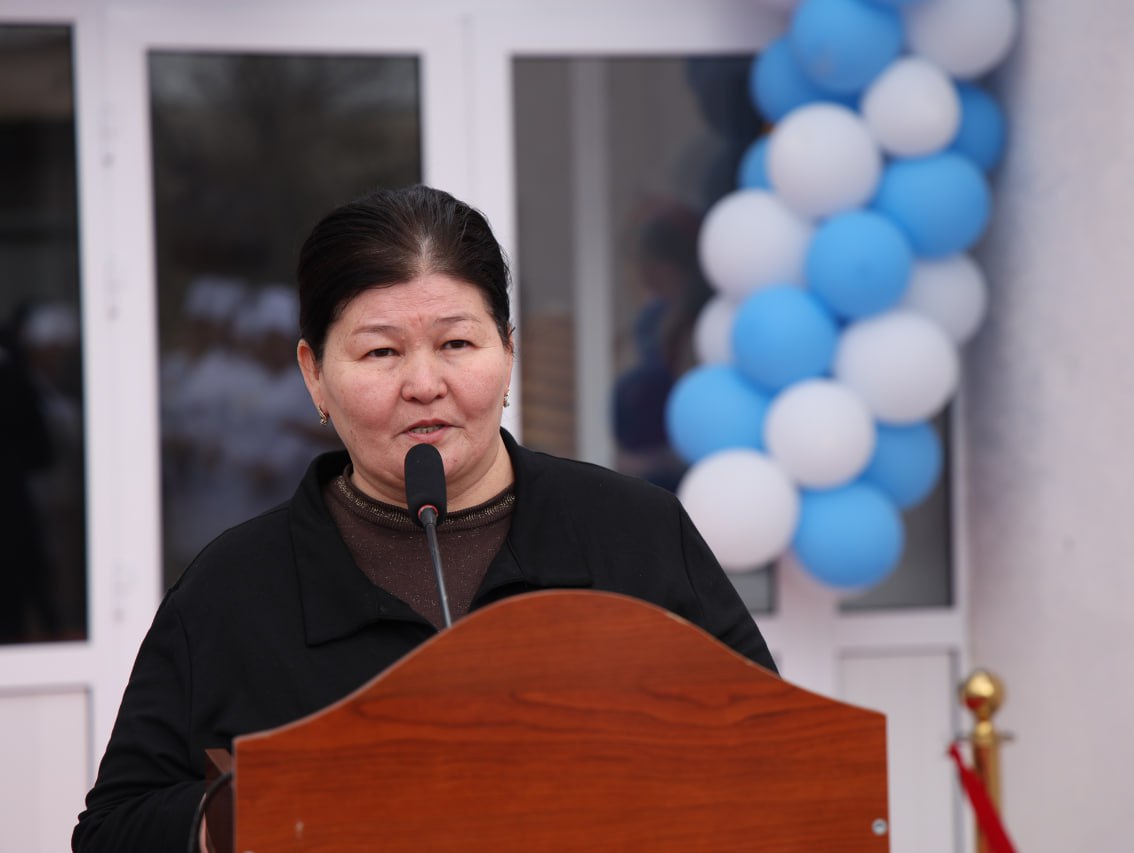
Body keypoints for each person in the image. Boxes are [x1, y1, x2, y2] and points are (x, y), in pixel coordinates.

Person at [72, 185, 775, 852]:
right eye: (381, 351)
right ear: (314, 374)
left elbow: (776, 762)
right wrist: (270, 802)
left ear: (509, 351)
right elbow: (112, 829)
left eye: (456, 344)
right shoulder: (234, 587)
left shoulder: (635, 533)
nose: (424, 384)